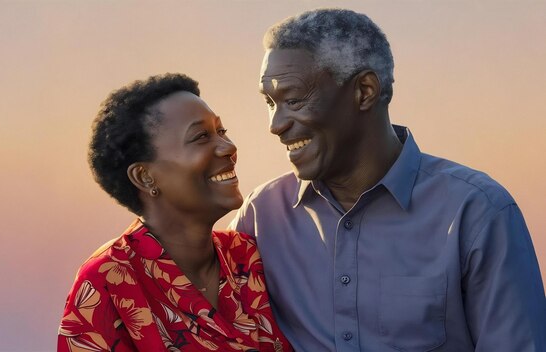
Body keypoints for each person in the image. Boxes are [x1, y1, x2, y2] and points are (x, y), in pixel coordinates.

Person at [230, 8, 545, 352]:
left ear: (365, 91)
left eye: (293, 100)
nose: (275, 124)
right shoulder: (260, 217)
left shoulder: (478, 212)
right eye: (269, 102)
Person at [58, 73, 291, 352]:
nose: (228, 147)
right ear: (144, 177)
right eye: (201, 137)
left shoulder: (249, 256)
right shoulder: (106, 284)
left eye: (222, 131)